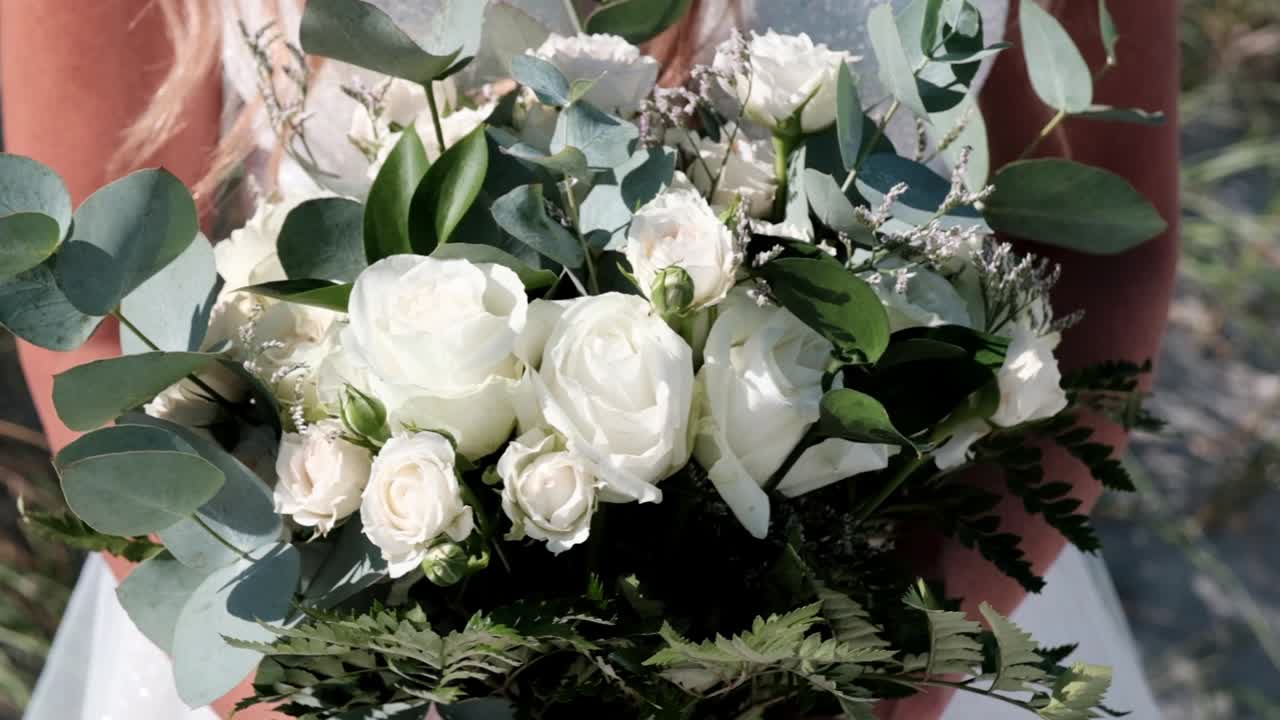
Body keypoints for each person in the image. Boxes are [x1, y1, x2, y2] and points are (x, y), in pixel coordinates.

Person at [5, 1, 1177, 719]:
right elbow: (102, 314)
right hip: (291, 626)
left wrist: (900, 675)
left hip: (901, 585)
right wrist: (302, 697)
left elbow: (1099, 242)